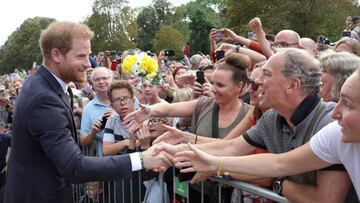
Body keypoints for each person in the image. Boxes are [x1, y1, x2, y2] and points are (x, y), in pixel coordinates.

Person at [154, 48, 352, 203]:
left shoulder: (328, 123)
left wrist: (276, 182)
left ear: (292, 85)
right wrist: (177, 151)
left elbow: (325, 199)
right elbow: (231, 147)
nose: (256, 81)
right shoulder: (272, 117)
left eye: (265, 74)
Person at [5, 21, 172, 203]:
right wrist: (141, 159)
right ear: (56, 55)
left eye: (89, 56)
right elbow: (74, 165)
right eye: (81, 56)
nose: (88, 64)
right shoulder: (43, 98)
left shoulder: (44, 85)